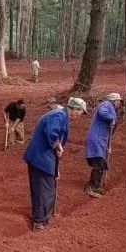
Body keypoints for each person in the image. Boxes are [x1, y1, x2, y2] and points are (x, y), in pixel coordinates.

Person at [23, 96, 87, 231]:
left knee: (40, 189)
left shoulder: (60, 115)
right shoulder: (59, 115)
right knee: (47, 191)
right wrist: (58, 146)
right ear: (75, 109)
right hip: (41, 158)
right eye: (81, 112)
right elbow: (52, 134)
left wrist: (56, 168)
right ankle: (40, 222)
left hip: (40, 158)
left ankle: (38, 215)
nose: (80, 116)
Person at [84, 92, 121, 198]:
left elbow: (109, 131)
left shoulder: (111, 108)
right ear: (115, 100)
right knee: (99, 164)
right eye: (119, 101)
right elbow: (101, 111)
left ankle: (96, 185)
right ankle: (92, 187)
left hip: (101, 141)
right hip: (97, 140)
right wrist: (111, 118)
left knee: (101, 164)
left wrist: (108, 146)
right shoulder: (107, 104)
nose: (120, 104)